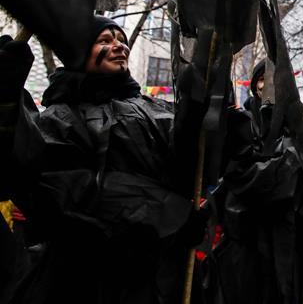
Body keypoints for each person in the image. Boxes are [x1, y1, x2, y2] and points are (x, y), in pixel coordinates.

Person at [0, 16, 207, 303]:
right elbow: (53, 186)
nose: (119, 46)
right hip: (87, 278)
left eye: (121, 40)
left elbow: (192, 167)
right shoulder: (61, 117)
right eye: (105, 40)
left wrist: (202, 110)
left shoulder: (156, 109)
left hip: (161, 277)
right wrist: (6, 96)